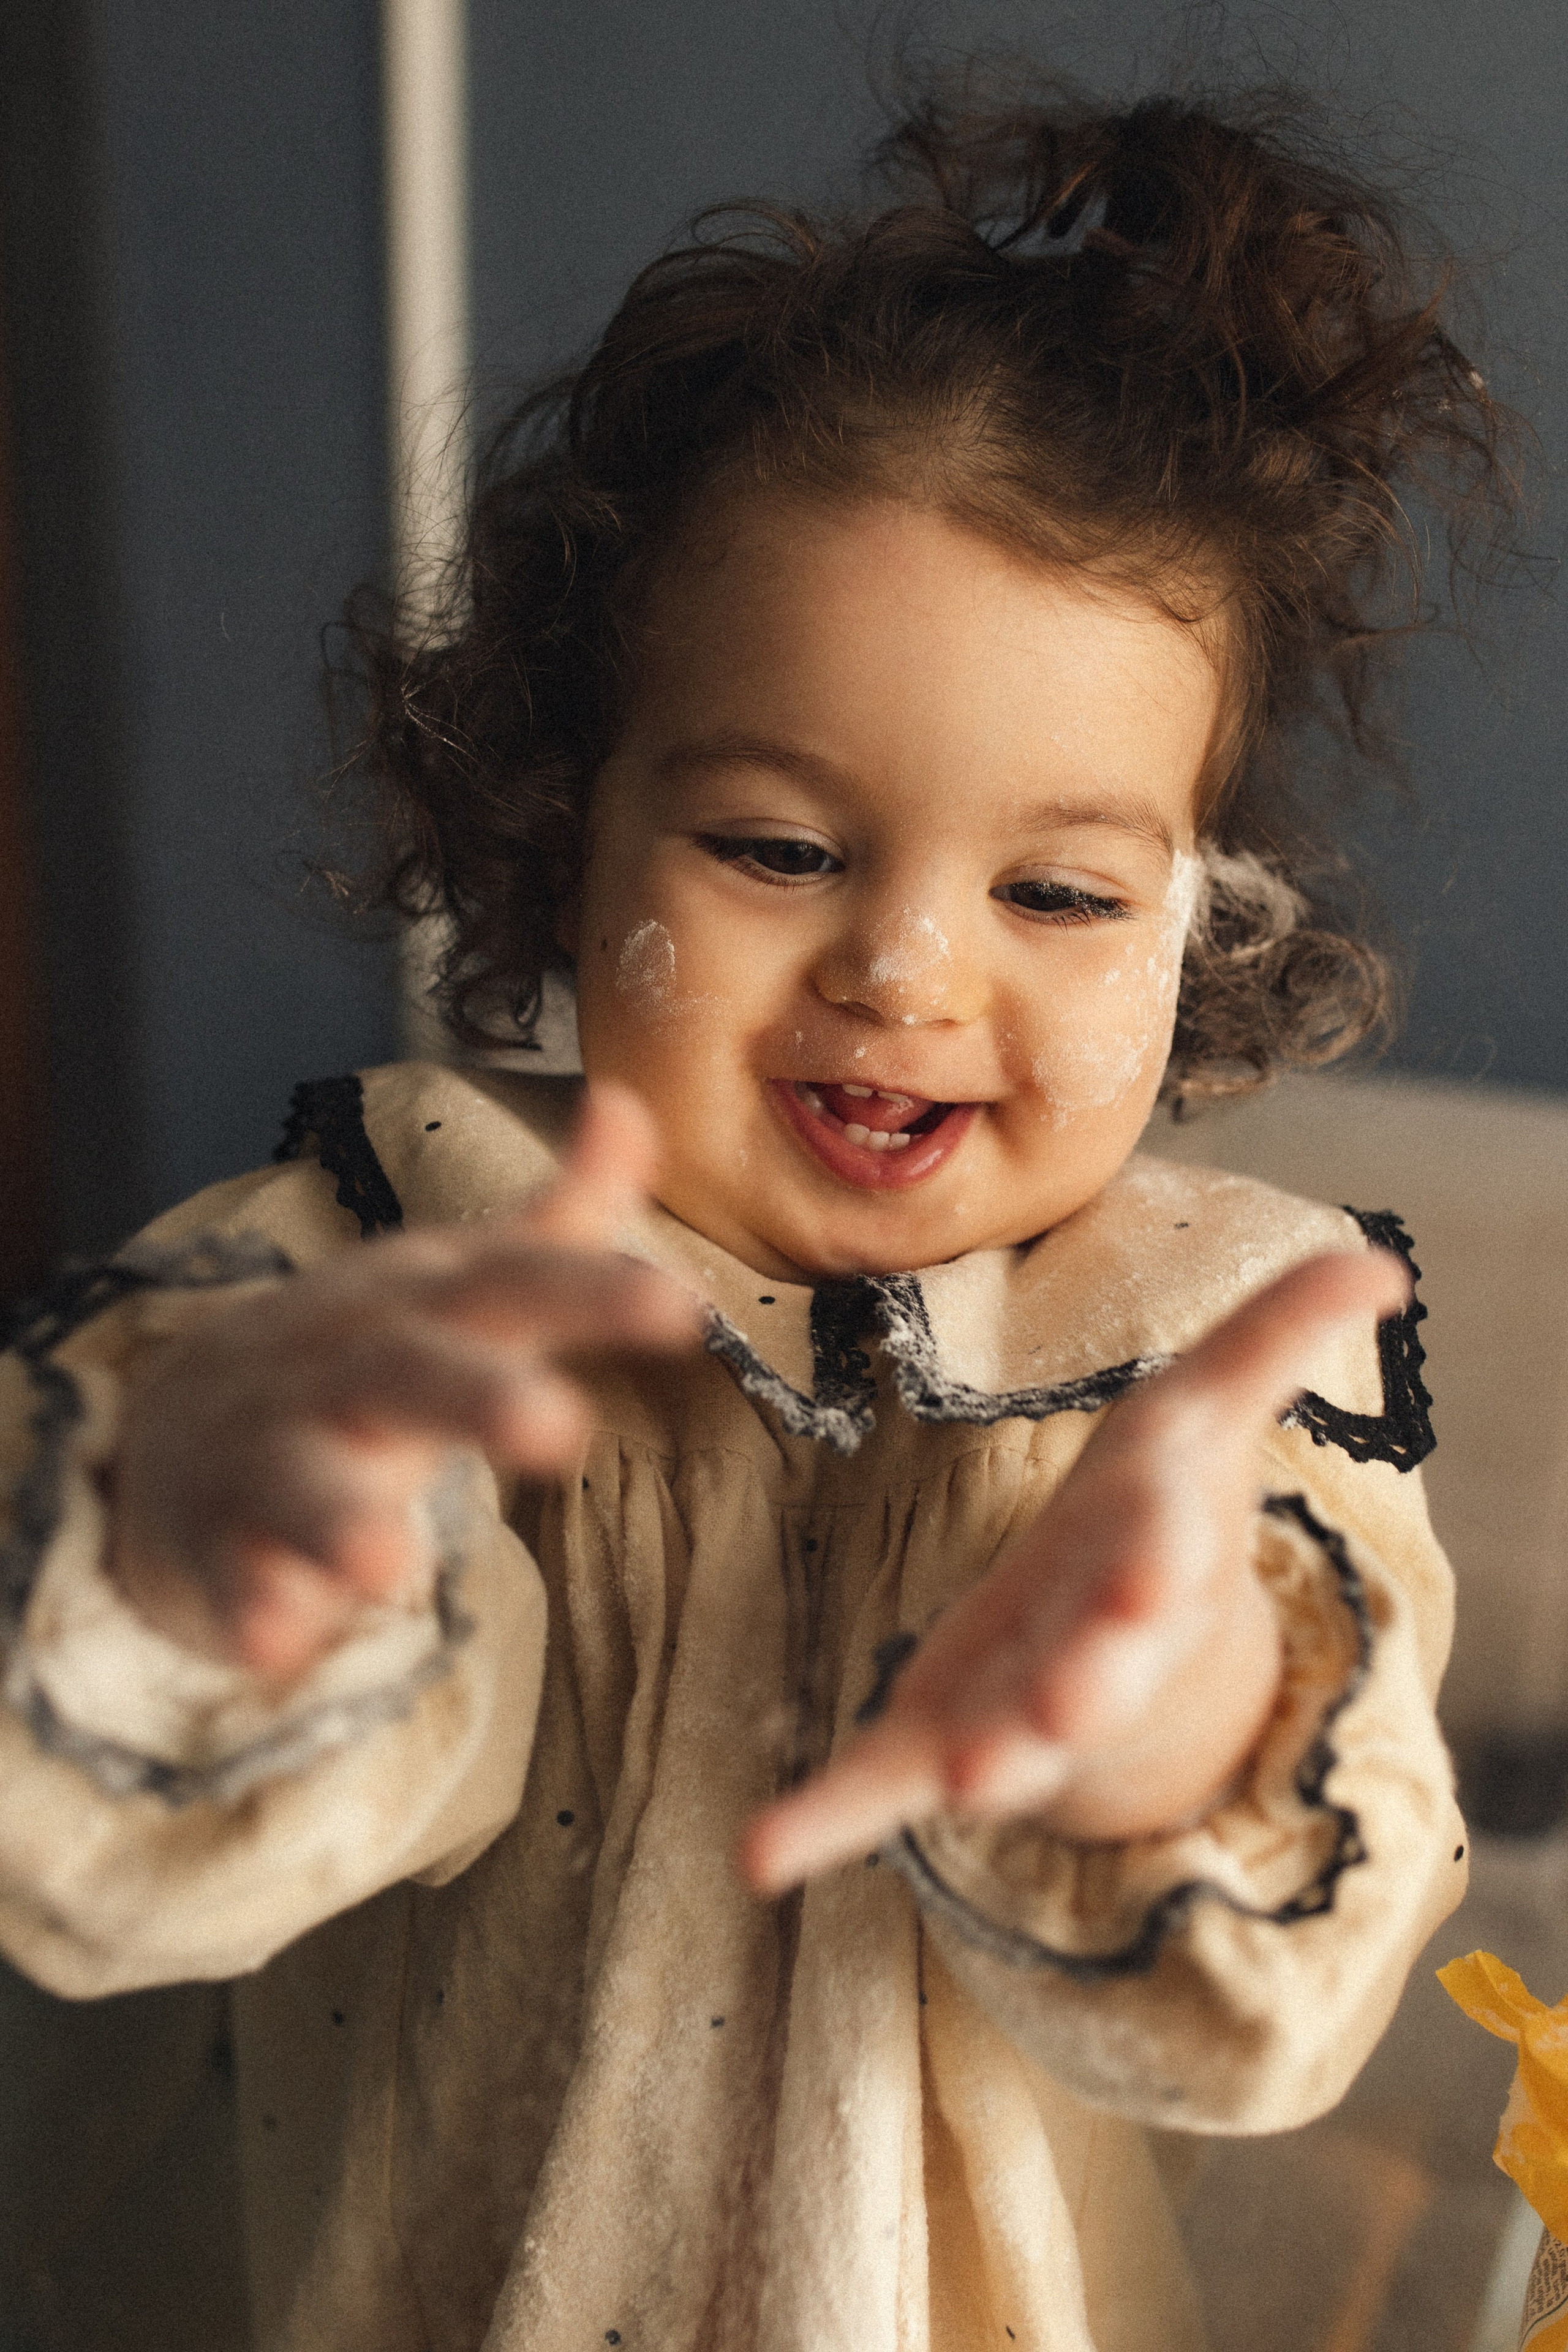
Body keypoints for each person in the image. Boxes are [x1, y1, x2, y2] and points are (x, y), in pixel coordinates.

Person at [0, 70, 1515, 2352]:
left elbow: (1286, 1981)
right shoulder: (373, 1289)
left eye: (1060, 888)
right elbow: (157, 1843)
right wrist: (226, 1542)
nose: (907, 971)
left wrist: (1164, 1706)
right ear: (556, 829)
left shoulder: (1216, 1385)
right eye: (777, 850)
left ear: (1200, 927)